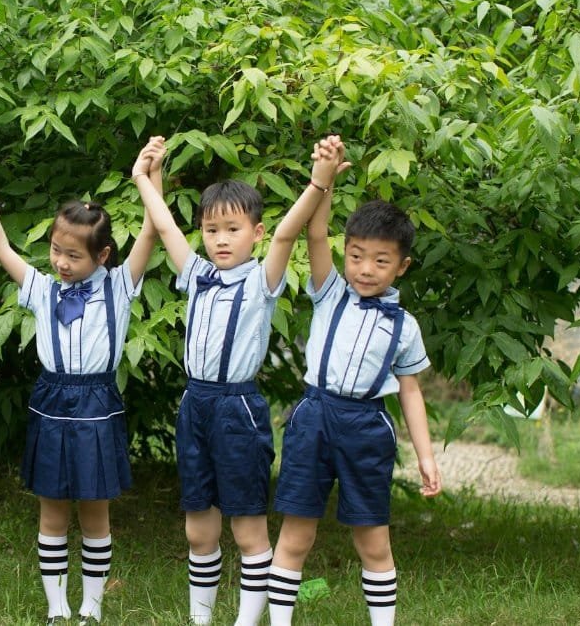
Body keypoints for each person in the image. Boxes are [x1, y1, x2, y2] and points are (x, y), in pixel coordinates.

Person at [131, 135, 350, 625]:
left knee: (248, 527)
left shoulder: (260, 279)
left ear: (254, 232)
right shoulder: (197, 274)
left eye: (233, 229)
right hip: (195, 406)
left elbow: (288, 236)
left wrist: (320, 182)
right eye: (212, 230)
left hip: (238, 409)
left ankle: (247, 622)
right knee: (198, 530)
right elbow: (164, 225)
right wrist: (145, 177)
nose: (221, 239)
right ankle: (200, 619)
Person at [267, 142, 442, 626]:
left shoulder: (403, 326)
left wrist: (426, 457)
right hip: (314, 417)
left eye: (381, 261)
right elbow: (315, 233)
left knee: (373, 537)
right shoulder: (330, 293)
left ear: (401, 266)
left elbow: (410, 391)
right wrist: (323, 178)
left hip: (367, 427)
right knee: (296, 532)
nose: (365, 269)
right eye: (358, 256)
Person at [0, 142, 162, 625]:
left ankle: (91, 605)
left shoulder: (121, 284)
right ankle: (57, 607)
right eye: (55, 251)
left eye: (72, 255)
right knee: (52, 509)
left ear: (102, 254)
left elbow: (152, 229)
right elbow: (0, 248)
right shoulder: (43, 289)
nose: (60, 262)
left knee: (95, 511)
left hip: (98, 400)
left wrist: (152, 174)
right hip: (51, 397)